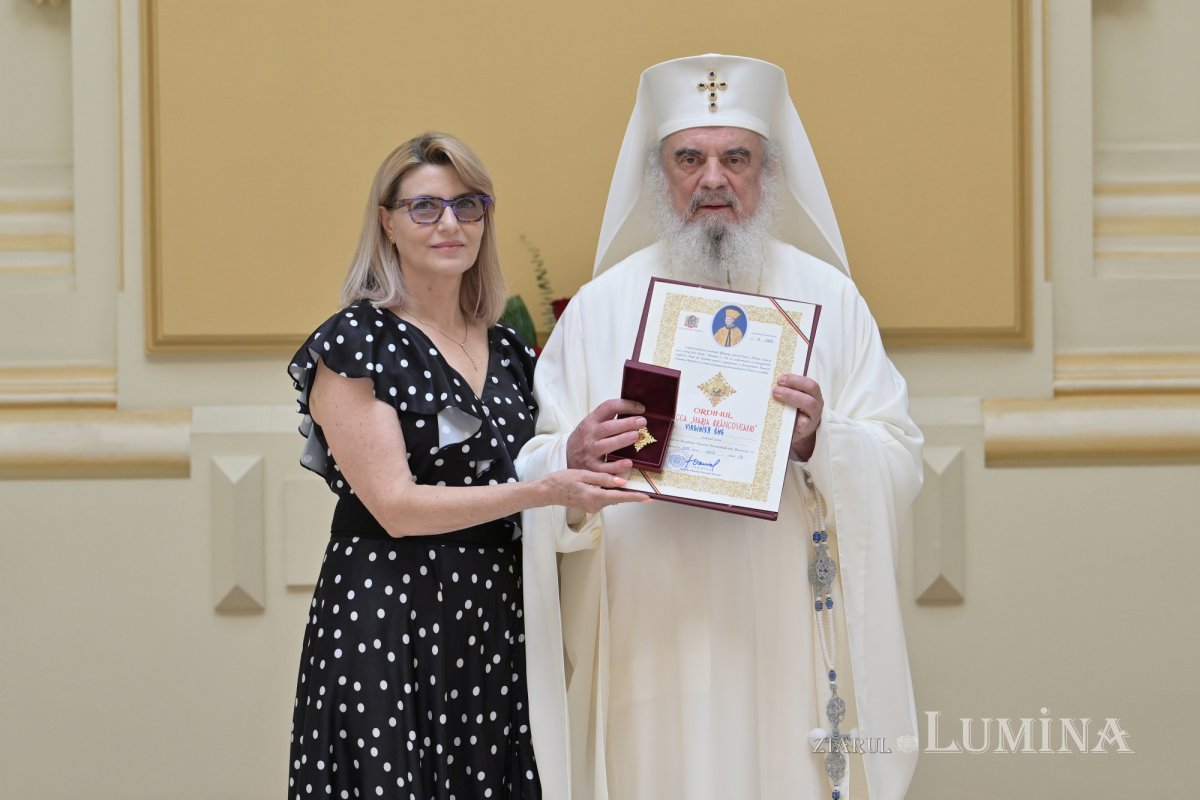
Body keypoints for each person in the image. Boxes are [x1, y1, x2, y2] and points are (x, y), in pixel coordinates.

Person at [517, 55, 924, 800]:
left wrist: (820, 443)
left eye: (737, 157)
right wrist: (572, 462)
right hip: (650, 636)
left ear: (768, 172)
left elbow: (898, 456)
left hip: (786, 639)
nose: (713, 179)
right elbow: (544, 474)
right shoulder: (603, 308)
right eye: (689, 158)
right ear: (658, 173)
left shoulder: (829, 297)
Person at [284, 132, 644, 800]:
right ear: (387, 222)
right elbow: (394, 505)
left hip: (494, 616)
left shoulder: (512, 351)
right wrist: (540, 490)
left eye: (468, 206)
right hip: (389, 615)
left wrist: (576, 454)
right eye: (425, 208)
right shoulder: (356, 342)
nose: (450, 224)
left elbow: (524, 464)